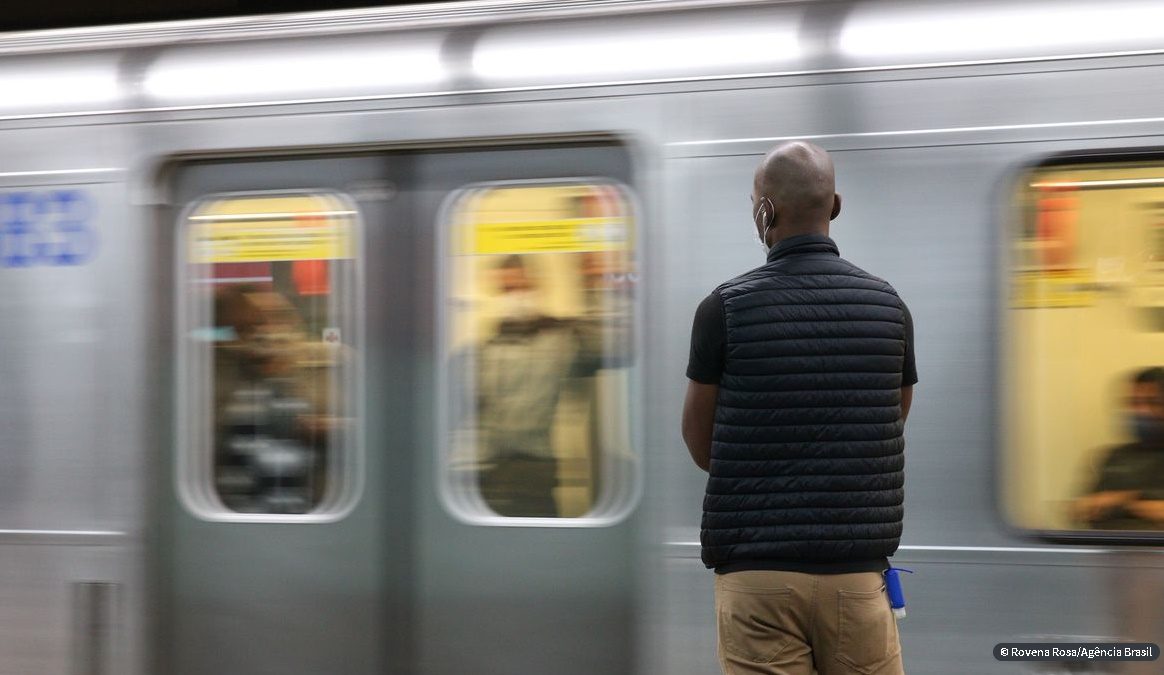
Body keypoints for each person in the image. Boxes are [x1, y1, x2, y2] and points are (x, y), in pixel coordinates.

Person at [682, 141, 916, 675]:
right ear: (835, 205)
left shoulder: (723, 309)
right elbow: (891, 418)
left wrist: (767, 465)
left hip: (757, 581)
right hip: (858, 580)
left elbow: (702, 444)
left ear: (764, 211)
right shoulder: (889, 307)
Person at [1074, 367, 1164, 529]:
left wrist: (1122, 501)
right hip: (1108, 550)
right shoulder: (1115, 456)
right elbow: (1083, 509)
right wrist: (1143, 505)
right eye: (1134, 403)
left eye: (1153, 402)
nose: (1141, 411)